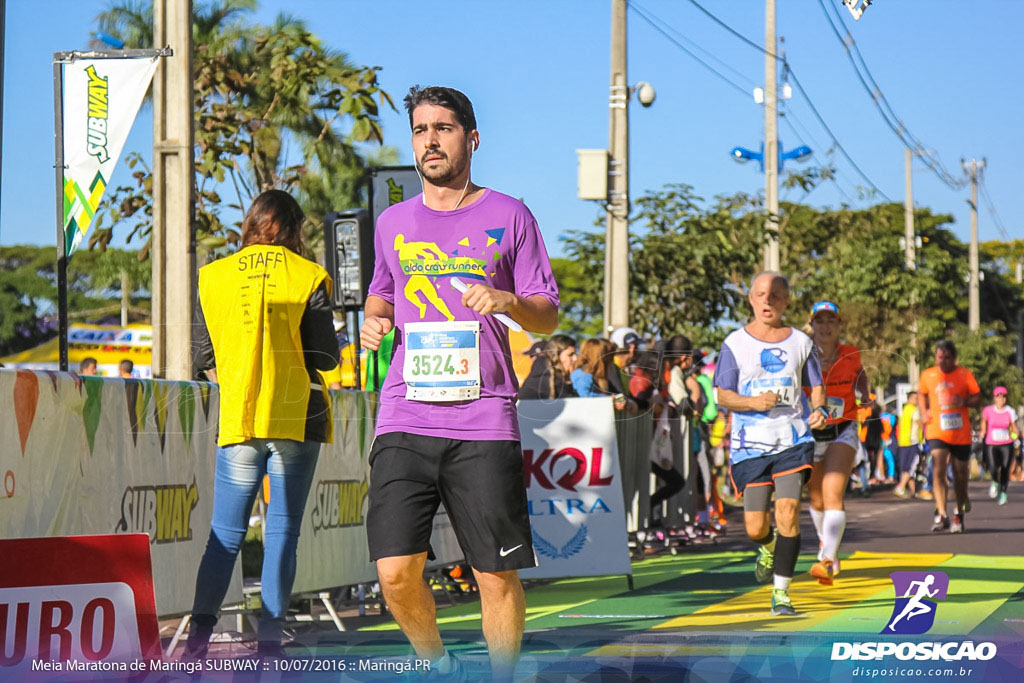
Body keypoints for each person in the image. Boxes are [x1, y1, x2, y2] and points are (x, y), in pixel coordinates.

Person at [359, 85, 558, 681]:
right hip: (405, 414)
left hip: (483, 416)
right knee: (395, 572)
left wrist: (509, 300)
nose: (430, 141)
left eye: (442, 129)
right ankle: (439, 665)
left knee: (494, 573)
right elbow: (382, 293)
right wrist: (373, 321)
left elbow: (547, 311)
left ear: (471, 138)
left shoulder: (510, 214)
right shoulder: (393, 221)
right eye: (420, 130)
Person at [186, 190, 339, 658]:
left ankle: (197, 642)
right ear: (294, 229)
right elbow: (325, 358)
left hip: (239, 418)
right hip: (297, 418)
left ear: (251, 223)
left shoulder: (211, 277)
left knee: (225, 536)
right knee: (282, 533)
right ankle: (271, 643)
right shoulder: (309, 275)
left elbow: (202, 356)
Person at [715, 272, 827, 616]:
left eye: (775, 295)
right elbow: (722, 395)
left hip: (793, 439)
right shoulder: (735, 343)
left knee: (788, 511)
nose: (768, 300)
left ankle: (781, 593)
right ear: (750, 299)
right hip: (750, 445)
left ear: (786, 301)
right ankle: (767, 547)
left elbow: (816, 387)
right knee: (755, 527)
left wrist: (820, 409)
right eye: (761, 294)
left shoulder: (801, 343)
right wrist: (752, 403)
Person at [803, 301, 869, 586]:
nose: (826, 326)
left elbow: (861, 373)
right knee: (816, 498)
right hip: (812, 430)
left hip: (844, 426)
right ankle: (825, 542)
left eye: (832, 321)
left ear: (839, 325)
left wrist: (865, 393)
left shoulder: (851, 353)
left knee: (832, 491)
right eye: (820, 321)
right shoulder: (801, 354)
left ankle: (827, 559)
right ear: (812, 325)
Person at [918, 340, 982, 533]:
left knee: (961, 475)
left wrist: (965, 401)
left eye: (947, 358)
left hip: (960, 432)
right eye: (940, 357)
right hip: (937, 429)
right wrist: (923, 411)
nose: (943, 361)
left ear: (954, 358)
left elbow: (978, 398)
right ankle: (942, 514)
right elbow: (921, 393)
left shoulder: (965, 374)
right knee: (938, 468)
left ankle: (958, 512)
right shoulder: (928, 375)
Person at [981, 386, 1017, 506]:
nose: (1001, 399)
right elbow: (983, 422)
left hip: (1006, 443)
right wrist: (983, 430)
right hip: (991, 443)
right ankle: (995, 482)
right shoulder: (988, 410)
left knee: (1005, 468)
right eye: (999, 396)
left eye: (1003, 396)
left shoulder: (1010, 411)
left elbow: (1013, 426)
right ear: (994, 398)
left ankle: (1003, 493)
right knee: (992, 466)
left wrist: (1016, 432)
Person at [518, 335, 577, 400]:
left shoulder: (557, 378)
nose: (575, 358)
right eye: (570, 355)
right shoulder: (544, 378)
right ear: (556, 356)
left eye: (575, 354)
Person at [894, 391, 923, 498]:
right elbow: (920, 424)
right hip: (913, 442)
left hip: (903, 442)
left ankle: (913, 491)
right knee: (911, 466)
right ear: (910, 399)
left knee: (906, 467)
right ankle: (900, 487)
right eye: (916, 398)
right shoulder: (914, 410)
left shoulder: (904, 410)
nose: (917, 401)